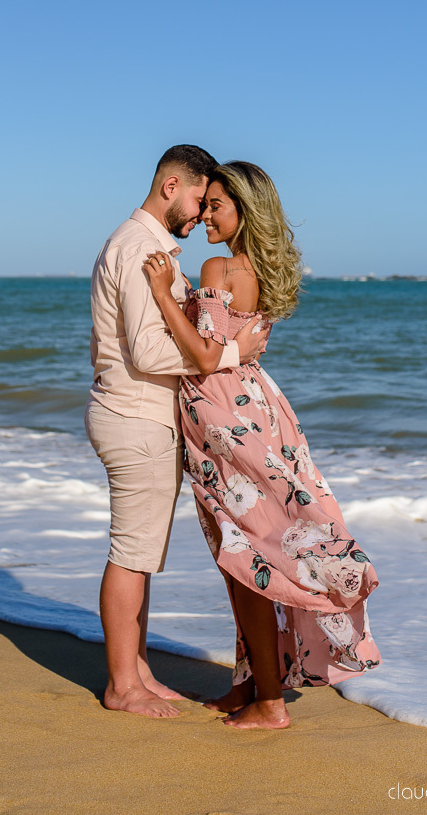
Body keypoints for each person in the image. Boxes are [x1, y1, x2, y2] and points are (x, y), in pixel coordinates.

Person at [143, 160, 381, 730]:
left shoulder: (217, 267)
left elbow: (202, 357)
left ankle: (271, 704)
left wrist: (160, 292)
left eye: (215, 206)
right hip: (259, 407)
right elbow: (234, 347)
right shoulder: (262, 272)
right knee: (245, 548)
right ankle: (250, 684)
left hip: (223, 417)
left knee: (242, 552)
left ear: (243, 211)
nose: (203, 216)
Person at [85, 145, 267, 719]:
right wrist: (229, 353)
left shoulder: (148, 246)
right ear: (170, 184)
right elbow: (148, 349)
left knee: (140, 554)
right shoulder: (141, 248)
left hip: (136, 413)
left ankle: (136, 670)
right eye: (196, 198)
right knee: (130, 555)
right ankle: (122, 686)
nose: (199, 214)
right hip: (136, 413)